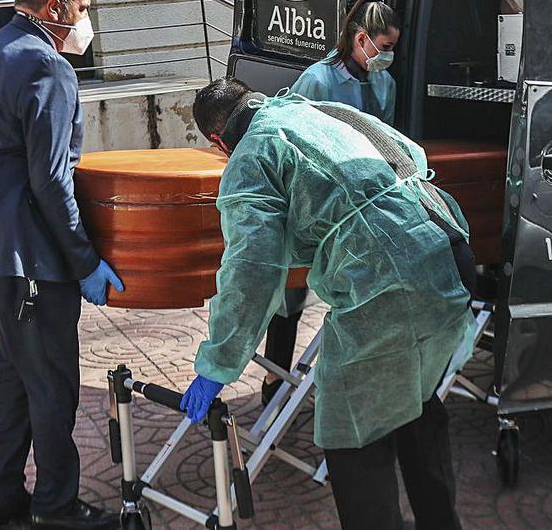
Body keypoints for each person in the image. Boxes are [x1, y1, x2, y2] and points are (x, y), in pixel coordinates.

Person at [180, 78, 473, 529]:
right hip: (446, 250)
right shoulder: (312, 110)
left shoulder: (251, 156)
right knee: (415, 404)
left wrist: (218, 363)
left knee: (352, 433)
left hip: (388, 289)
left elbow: (251, 270)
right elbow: (407, 154)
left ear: (218, 141)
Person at [0, 0, 122, 530]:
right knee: (52, 386)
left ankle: (0, 501)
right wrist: (85, 260)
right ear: (55, 8)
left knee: (18, 377)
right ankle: (56, 508)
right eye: (84, 9)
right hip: (28, 253)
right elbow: (50, 178)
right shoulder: (49, 66)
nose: (87, 22)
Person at [256, 0, 403, 404]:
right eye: (384, 48)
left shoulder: (384, 82)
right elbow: (291, 142)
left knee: (356, 293)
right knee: (290, 298)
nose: (387, 57)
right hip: (313, 200)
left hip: (362, 205)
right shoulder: (318, 79)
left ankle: (347, 381)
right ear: (361, 40)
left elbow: (387, 141)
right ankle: (274, 385)